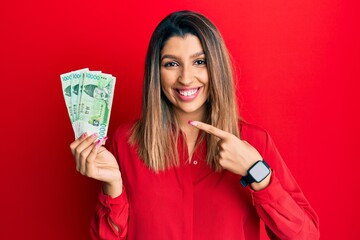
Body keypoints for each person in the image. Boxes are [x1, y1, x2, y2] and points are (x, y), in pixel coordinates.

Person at [70, 10, 320, 240]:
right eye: (172, 63)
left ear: (216, 67)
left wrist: (257, 172)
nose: (186, 77)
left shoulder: (253, 142)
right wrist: (112, 186)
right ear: (156, 72)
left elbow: (304, 236)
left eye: (199, 62)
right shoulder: (126, 142)